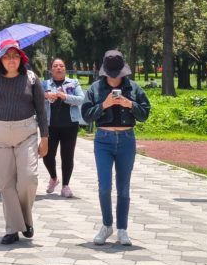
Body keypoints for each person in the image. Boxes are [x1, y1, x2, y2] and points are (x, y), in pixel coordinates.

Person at [0, 39, 48, 245]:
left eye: (15, 56)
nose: (11, 60)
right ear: (0, 60)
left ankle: (24, 219)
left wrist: (45, 138)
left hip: (26, 134)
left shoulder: (31, 79)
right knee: (6, 184)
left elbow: (42, 111)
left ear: (21, 58)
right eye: (7, 56)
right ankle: (12, 229)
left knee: (28, 178)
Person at [81, 50, 151, 247]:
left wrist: (130, 104)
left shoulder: (134, 88)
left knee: (124, 188)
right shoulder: (95, 89)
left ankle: (122, 229)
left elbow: (145, 114)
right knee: (104, 187)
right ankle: (106, 225)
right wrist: (104, 105)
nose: (115, 77)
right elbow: (86, 116)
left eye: (117, 73)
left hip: (127, 140)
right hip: (103, 139)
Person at [42, 58, 86, 197]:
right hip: (50, 126)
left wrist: (65, 96)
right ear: (51, 69)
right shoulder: (45, 84)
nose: (58, 68)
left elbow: (81, 99)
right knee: (47, 154)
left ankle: (65, 185)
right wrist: (45, 95)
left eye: (61, 65)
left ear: (65, 69)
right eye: (55, 66)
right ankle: (54, 178)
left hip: (69, 125)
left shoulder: (73, 83)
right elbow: (35, 98)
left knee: (67, 156)